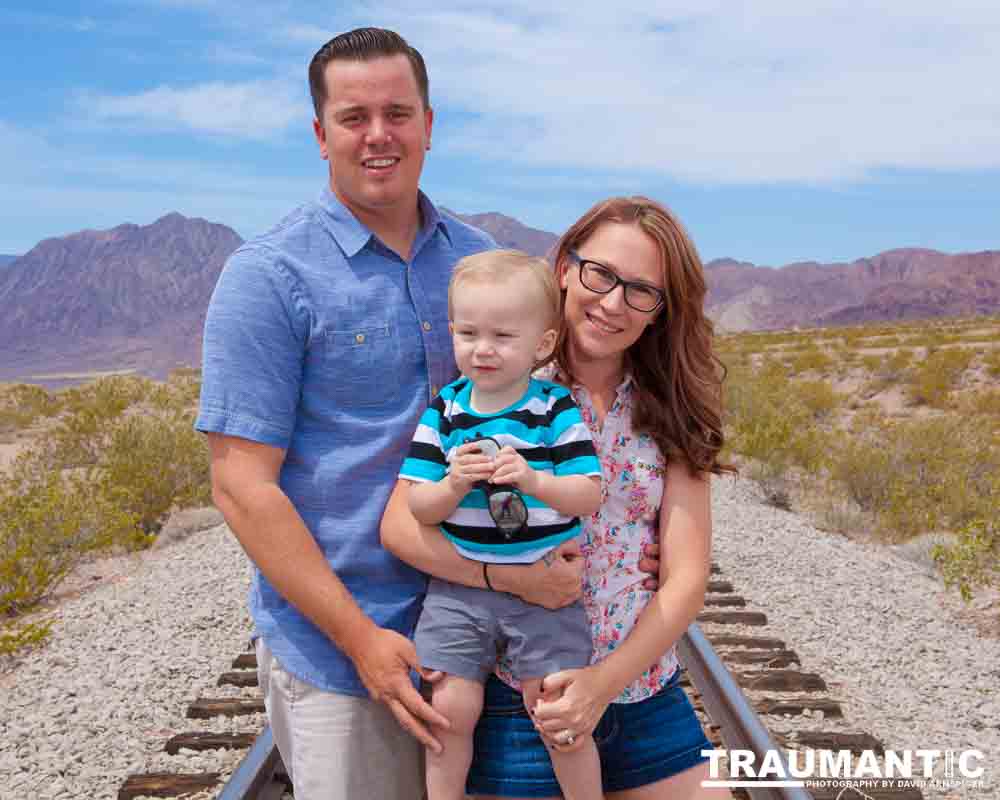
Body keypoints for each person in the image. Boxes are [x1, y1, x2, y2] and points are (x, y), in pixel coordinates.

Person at [195, 27, 585, 800]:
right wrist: (361, 642)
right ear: (320, 134)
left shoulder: (481, 263)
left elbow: (564, 410)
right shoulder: (268, 277)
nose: (379, 135)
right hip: (352, 650)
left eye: (399, 113)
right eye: (354, 116)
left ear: (430, 125)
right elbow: (242, 487)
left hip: (496, 632)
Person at [381, 195, 734, 799]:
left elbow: (686, 579)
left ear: (660, 310)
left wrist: (601, 685)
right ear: (565, 270)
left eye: (641, 291)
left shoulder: (668, 410)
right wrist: (505, 581)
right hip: (527, 699)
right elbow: (399, 527)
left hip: (641, 694)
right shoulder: (497, 387)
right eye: (601, 274)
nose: (613, 302)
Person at [398, 250, 604, 800]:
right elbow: (419, 508)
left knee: (557, 713)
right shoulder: (444, 410)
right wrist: (453, 485)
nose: (482, 348)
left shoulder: (553, 408)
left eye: (502, 336)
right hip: (459, 591)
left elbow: (588, 493)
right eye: (468, 332)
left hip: (544, 589)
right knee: (450, 708)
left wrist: (535, 482)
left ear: (541, 344)